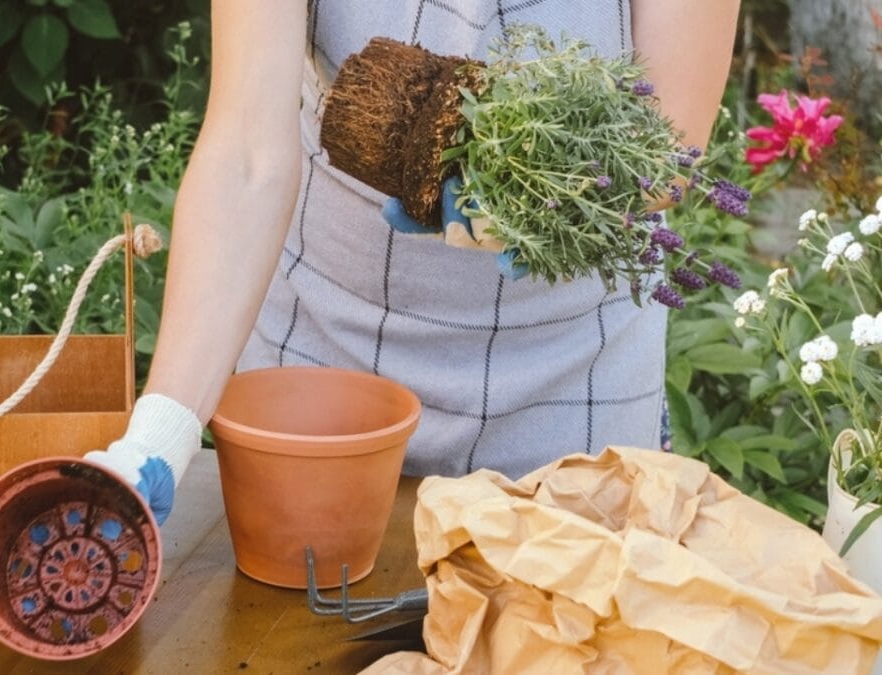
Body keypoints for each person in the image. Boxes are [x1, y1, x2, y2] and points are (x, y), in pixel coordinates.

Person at [87, 1, 742, 524]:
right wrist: (162, 429)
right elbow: (247, 154)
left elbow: (666, 144)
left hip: (572, 375)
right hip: (325, 359)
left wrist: (509, 177)